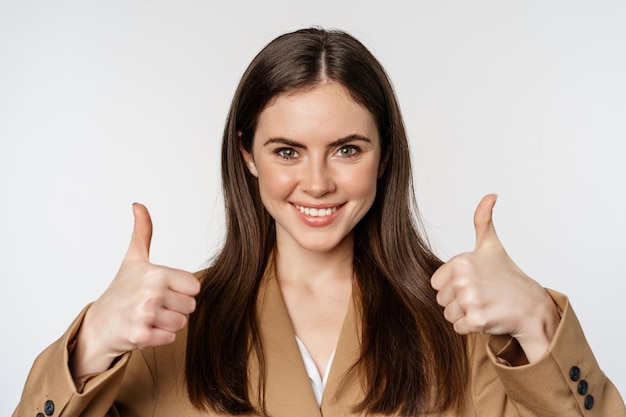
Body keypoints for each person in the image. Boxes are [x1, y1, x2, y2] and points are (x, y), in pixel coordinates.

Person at [13, 27, 625, 417]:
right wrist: (90, 343)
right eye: (287, 151)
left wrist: (540, 325)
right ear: (247, 155)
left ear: (385, 155)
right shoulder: (162, 331)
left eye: (347, 149)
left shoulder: (467, 327)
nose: (317, 183)